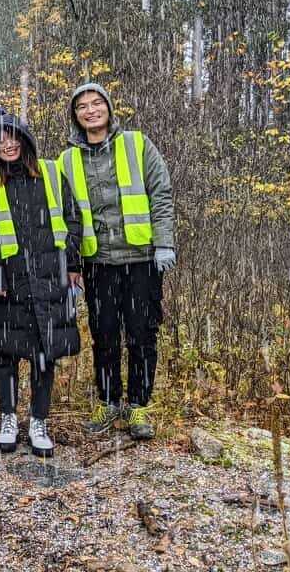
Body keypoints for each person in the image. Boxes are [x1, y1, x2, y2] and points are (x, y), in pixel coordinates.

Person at [59, 83, 175, 440]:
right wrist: (73, 264)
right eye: (82, 107)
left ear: (108, 109)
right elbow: (67, 217)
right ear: (76, 117)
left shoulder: (137, 144)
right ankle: (109, 402)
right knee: (104, 335)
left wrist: (164, 244)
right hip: (99, 264)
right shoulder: (67, 160)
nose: (91, 110)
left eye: (97, 103)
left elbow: (161, 194)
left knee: (142, 335)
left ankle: (138, 406)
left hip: (141, 261)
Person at [0, 115, 82, 457]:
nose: (7, 145)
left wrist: (74, 263)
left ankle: (38, 421)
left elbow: (72, 217)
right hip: (11, 277)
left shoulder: (50, 172)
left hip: (51, 273)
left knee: (43, 352)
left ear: (25, 139)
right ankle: (8, 418)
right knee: (7, 351)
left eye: (12, 138)